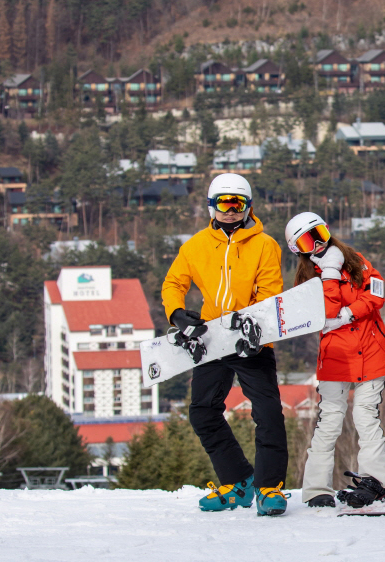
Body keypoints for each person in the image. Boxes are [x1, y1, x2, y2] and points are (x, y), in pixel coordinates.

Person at [161, 173, 289, 515]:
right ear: (211, 206)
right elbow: (174, 283)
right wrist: (176, 314)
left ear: (248, 207)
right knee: (202, 412)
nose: (230, 211)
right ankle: (238, 480)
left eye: (238, 203)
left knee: (267, 413)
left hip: (252, 340)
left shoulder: (265, 245)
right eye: (223, 203)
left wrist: (254, 330)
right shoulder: (195, 246)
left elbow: (269, 293)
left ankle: (269, 488)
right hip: (211, 339)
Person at [285, 212, 385, 513]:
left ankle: (379, 484)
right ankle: (316, 489)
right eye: (309, 240)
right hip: (336, 357)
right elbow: (324, 310)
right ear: (298, 249)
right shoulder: (308, 277)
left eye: (320, 232)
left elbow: (376, 292)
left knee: (365, 417)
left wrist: (350, 314)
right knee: (330, 421)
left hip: (371, 350)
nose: (319, 242)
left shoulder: (354, 259)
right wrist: (329, 275)